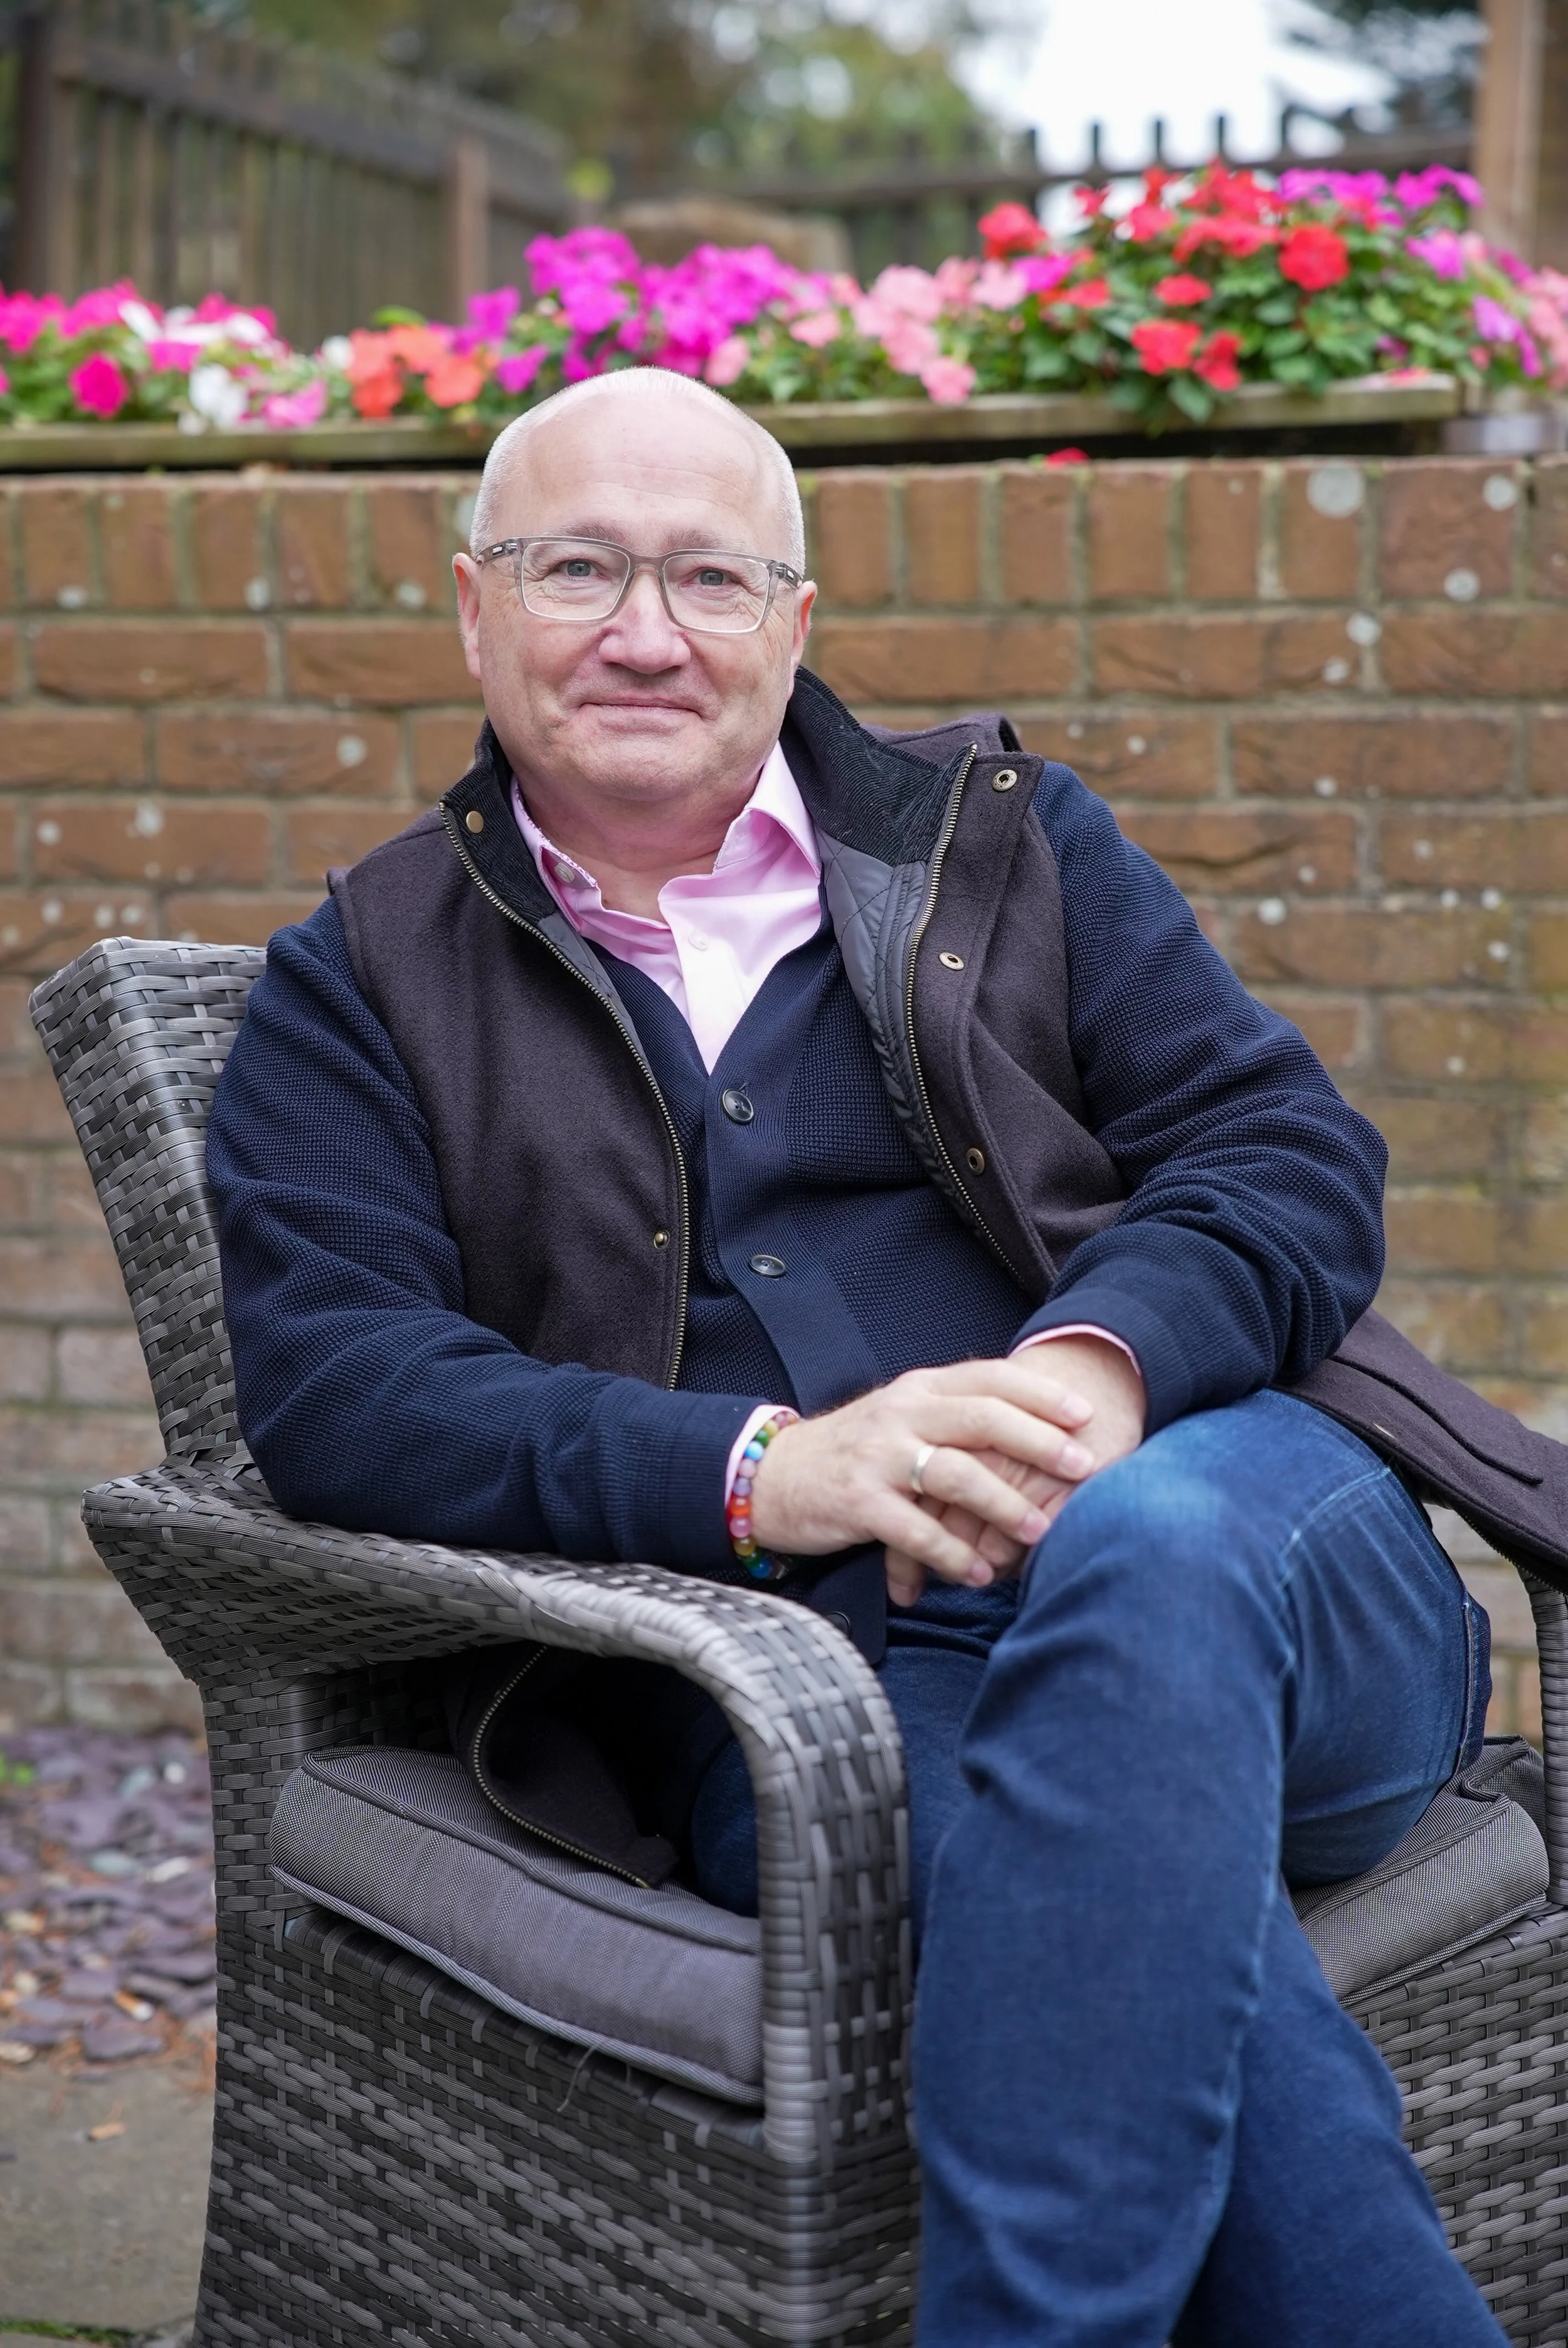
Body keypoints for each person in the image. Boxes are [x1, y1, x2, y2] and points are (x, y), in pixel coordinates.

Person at [208, 365, 1564, 2345]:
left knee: (1150, 1547)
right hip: (818, 1686)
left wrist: (1099, 1368)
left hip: (1245, 1548)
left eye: (708, 575)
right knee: (1063, 1869)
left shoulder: (1004, 843)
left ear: (796, 622)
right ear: (474, 604)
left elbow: (1284, 1156)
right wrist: (768, 1470)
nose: (645, 631)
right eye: (578, 565)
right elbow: (338, 1385)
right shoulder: (361, 978)